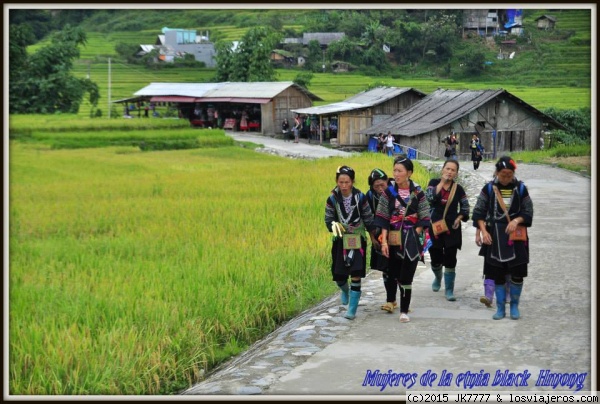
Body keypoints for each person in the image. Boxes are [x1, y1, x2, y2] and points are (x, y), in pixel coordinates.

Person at [472, 156, 534, 320]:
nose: (506, 178)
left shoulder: (521, 189)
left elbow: (528, 212)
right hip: (495, 236)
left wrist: (516, 220)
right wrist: (483, 231)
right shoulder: (488, 189)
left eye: (509, 175)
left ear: (513, 173)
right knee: (498, 274)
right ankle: (500, 308)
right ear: (497, 172)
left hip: (516, 236)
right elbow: (479, 211)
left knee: (517, 273)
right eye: (503, 174)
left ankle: (514, 306)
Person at [375, 156, 430, 323]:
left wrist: (415, 231)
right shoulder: (388, 193)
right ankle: (393, 300)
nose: (396, 174)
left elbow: (425, 216)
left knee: (407, 275)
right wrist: (384, 241)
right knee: (394, 271)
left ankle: (404, 310)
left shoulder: (418, 193)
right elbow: (383, 218)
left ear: (409, 173)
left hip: (411, 238)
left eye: (399, 171)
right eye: (394, 170)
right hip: (393, 237)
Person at [325, 166, 378, 320]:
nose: (344, 185)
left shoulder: (360, 197)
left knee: (356, 273)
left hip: (357, 238)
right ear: (337, 181)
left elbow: (368, 218)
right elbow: (328, 219)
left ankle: (352, 310)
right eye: (341, 182)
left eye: (347, 182)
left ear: (352, 182)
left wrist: (373, 236)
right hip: (341, 239)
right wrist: (334, 226)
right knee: (339, 275)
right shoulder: (332, 199)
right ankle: (345, 290)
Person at [425, 160, 470, 301]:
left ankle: (449, 290)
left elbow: (465, 207)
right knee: (436, 257)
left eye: (453, 170)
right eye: (447, 169)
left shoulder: (459, 189)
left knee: (451, 257)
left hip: (452, 227)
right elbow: (429, 198)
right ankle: (438, 278)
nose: (450, 172)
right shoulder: (433, 182)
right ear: (442, 170)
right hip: (435, 226)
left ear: (456, 173)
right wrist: (441, 183)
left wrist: (459, 218)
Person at [365, 168, 396, 313]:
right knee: (386, 268)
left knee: (398, 268)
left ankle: (396, 299)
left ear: (387, 181)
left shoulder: (395, 191)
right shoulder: (369, 196)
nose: (379, 188)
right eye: (376, 186)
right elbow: (368, 219)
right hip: (379, 236)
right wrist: (373, 237)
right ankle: (391, 300)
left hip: (396, 234)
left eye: (381, 184)